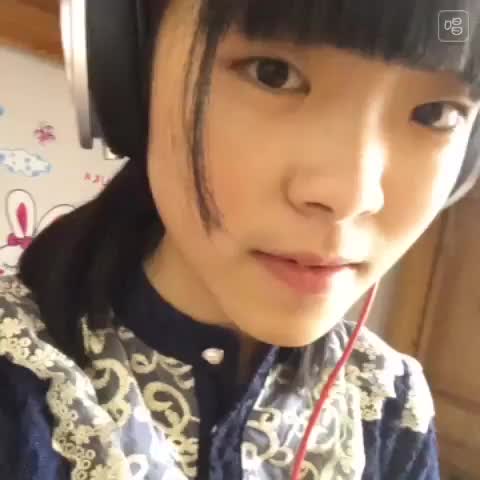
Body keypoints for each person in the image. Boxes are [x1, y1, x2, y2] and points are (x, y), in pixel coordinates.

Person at [1, 0, 479, 478]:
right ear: (130, 65)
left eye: (436, 113)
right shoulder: (19, 386)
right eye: (273, 74)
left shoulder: (391, 405)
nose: (351, 197)